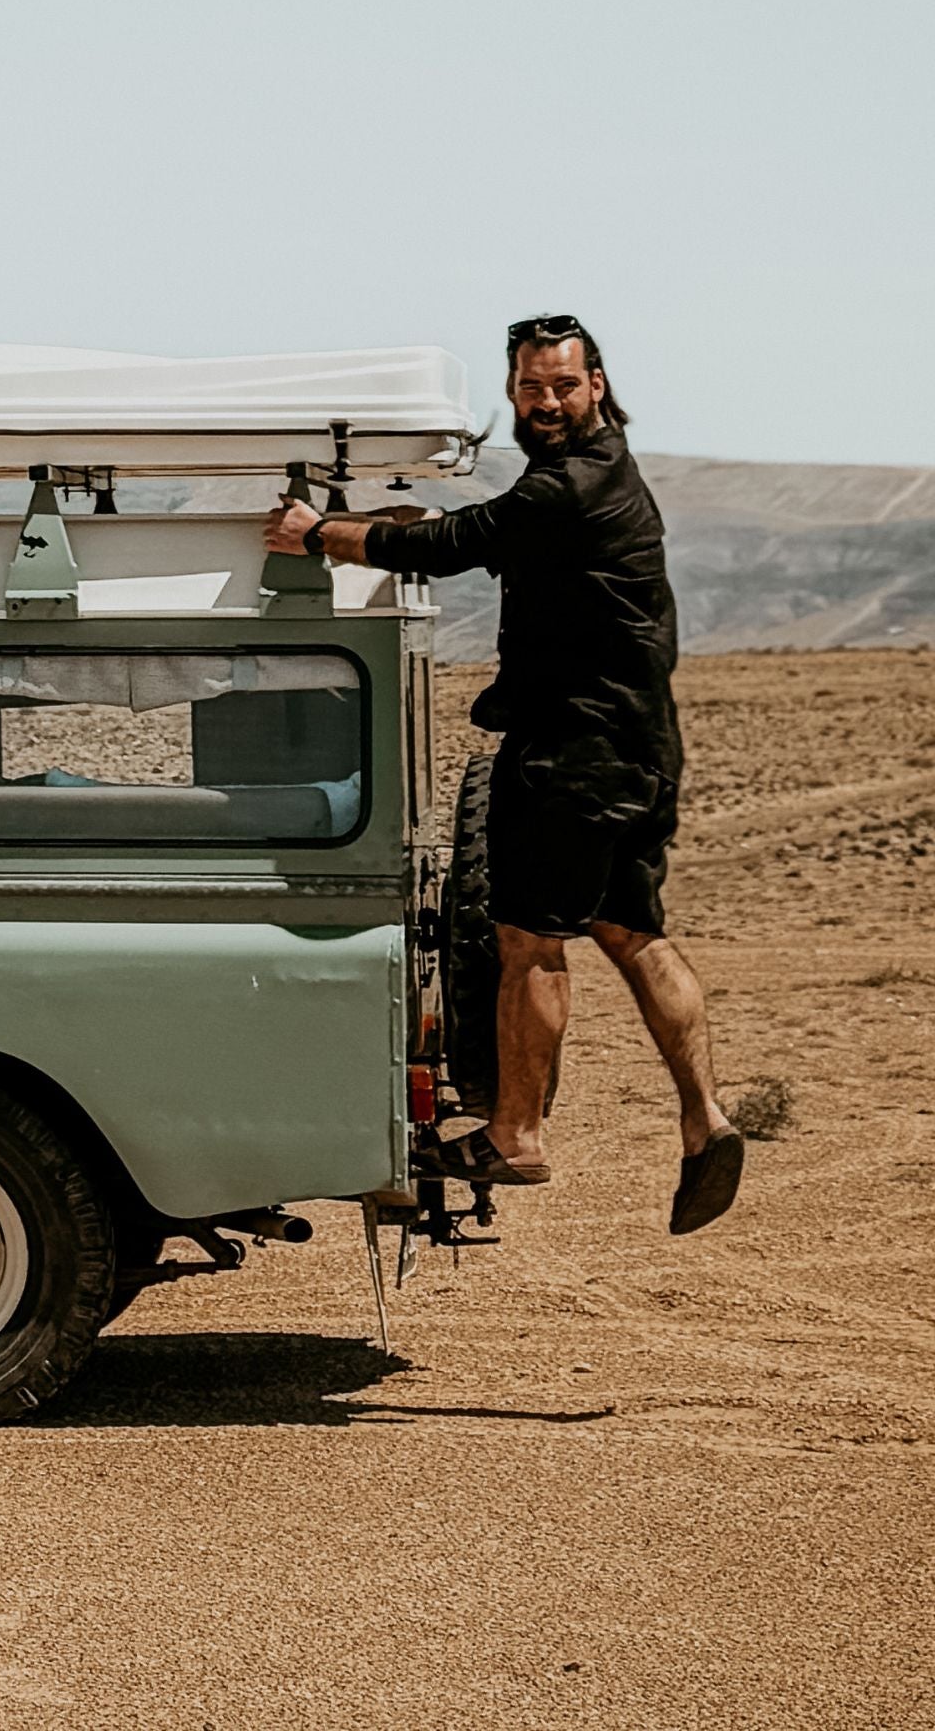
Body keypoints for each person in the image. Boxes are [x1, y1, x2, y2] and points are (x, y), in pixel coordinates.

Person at [264, 315, 743, 1235]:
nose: (548, 403)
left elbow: (460, 543)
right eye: (532, 388)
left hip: (575, 753)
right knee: (632, 930)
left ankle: (517, 1133)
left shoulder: (574, 484)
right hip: (635, 749)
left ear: (597, 384)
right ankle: (705, 1119)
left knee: (528, 938)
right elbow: (486, 533)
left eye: (563, 386)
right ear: (515, 392)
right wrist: (394, 526)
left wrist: (321, 532)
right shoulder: (594, 476)